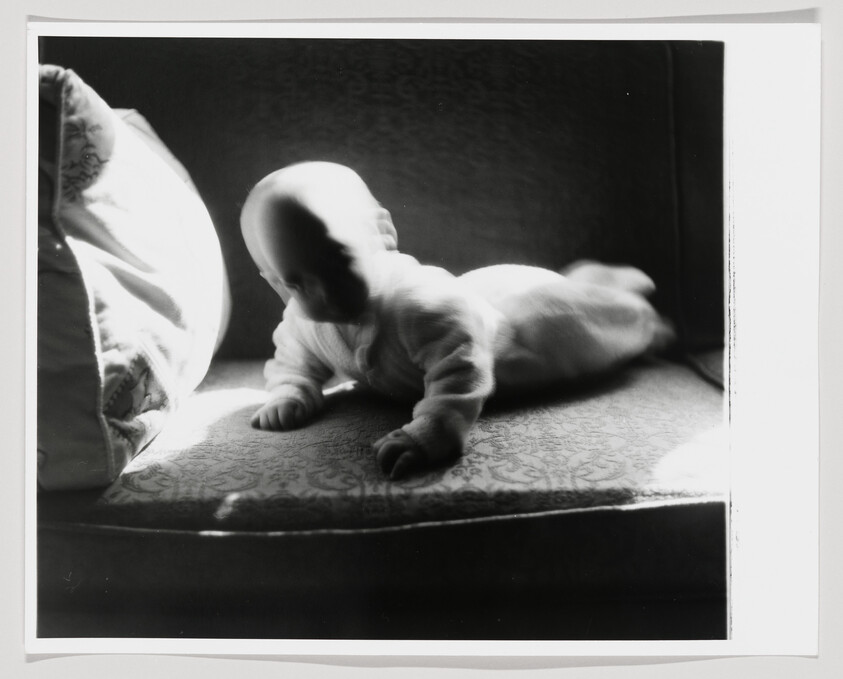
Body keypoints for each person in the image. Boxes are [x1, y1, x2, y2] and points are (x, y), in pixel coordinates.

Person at [240, 161, 672, 479]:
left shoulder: (422, 304)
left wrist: (434, 429)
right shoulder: (305, 320)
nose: (325, 293)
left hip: (522, 331)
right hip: (478, 302)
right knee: (582, 296)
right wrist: (292, 390)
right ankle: (590, 279)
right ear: (276, 283)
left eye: (337, 262)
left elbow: (461, 370)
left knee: (603, 324)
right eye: (297, 282)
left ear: (381, 234)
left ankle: (629, 300)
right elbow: (294, 359)